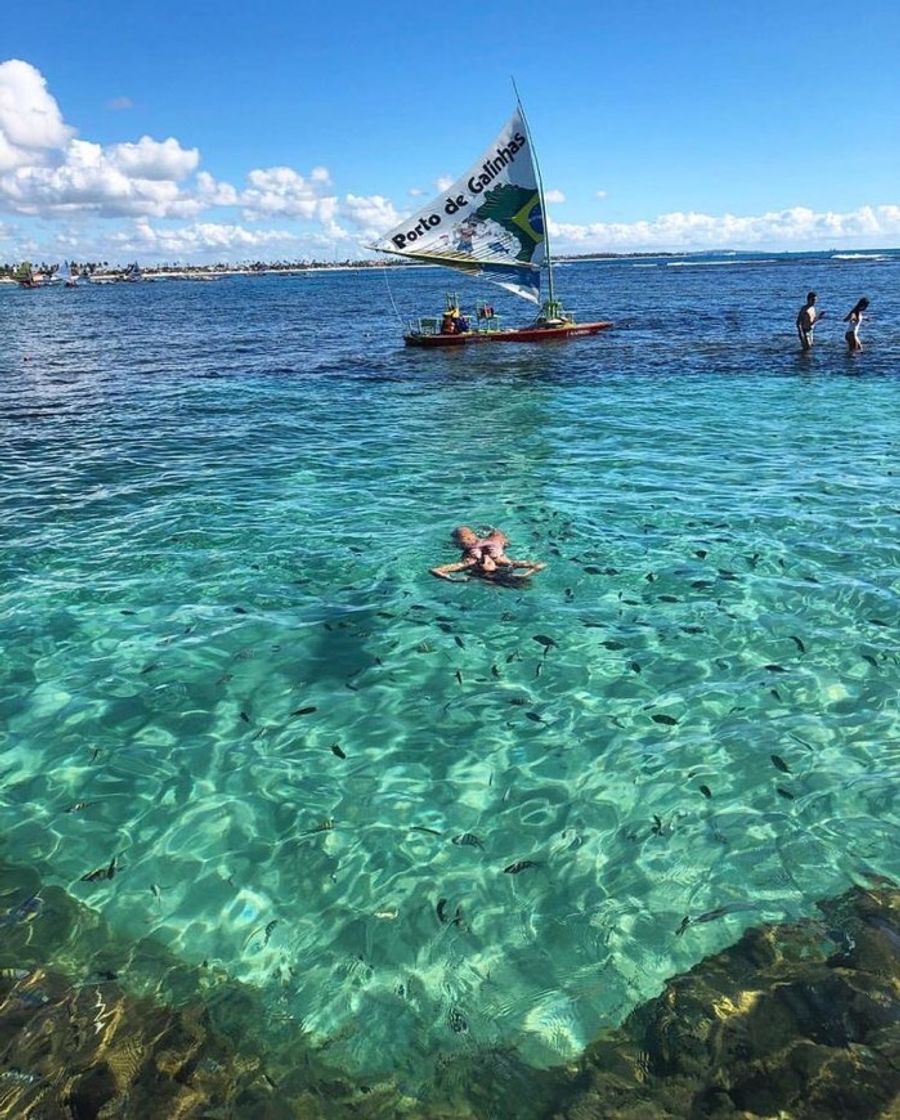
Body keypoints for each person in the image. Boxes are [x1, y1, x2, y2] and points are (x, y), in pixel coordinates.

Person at [430, 526, 546, 582]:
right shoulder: (504, 561)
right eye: (490, 563)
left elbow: (435, 570)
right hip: (493, 539)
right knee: (496, 535)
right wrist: (525, 574)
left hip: (473, 541)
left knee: (462, 534)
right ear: (495, 567)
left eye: (487, 563)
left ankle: (463, 536)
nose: (488, 560)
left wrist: (452, 579)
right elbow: (540, 564)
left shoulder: (470, 561)